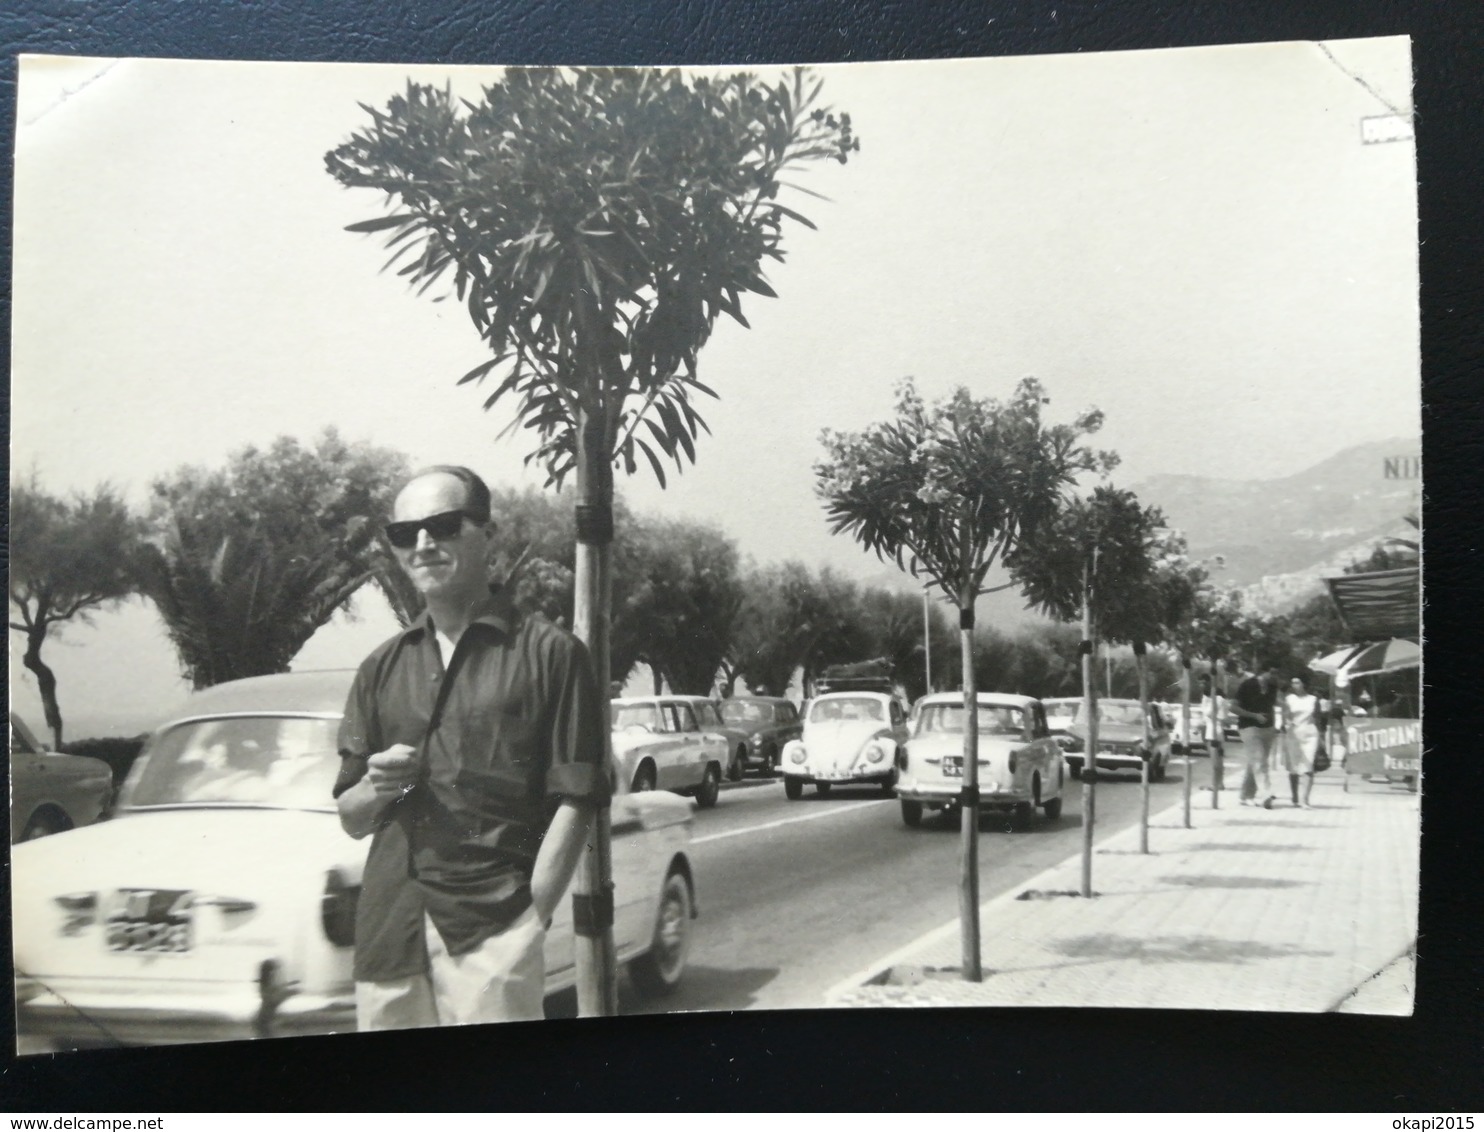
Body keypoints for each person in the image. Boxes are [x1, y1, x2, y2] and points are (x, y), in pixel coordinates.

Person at [333, 466, 608, 1030]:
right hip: (390, 934)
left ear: (490, 533)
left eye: (443, 525)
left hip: (492, 930)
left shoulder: (552, 655)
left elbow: (579, 798)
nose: (424, 544)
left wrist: (532, 916)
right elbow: (351, 817)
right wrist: (376, 787)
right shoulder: (379, 669)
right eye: (406, 533)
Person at [1233, 661, 1282, 808]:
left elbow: (1272, 705)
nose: (1275, 676)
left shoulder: (1272, 687)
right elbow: (1233, 707)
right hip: (1249, 727)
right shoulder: (1247, 685)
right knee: (1260, 761)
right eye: (1272, 673)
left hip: (1268, 728)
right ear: (1263, 672)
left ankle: (1245, 795)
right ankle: (1266, 794)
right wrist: (1254, 716)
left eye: (1276, 673)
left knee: (1255, 762)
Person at [1282, 675, 1322, 808]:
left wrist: (1322, 737)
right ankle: (1295, 798)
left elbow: (1319, 718)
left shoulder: (1314, 699)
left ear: (1304, 683)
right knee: (1294, 767)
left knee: (1308, 766)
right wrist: (1286, 723)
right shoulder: (1289, 699)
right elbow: (1285, 716)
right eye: (1293, 683)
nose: (1295, 685)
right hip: (1294, 734)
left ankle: (1304, 799)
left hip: (1310, 734)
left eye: (1297, 682)